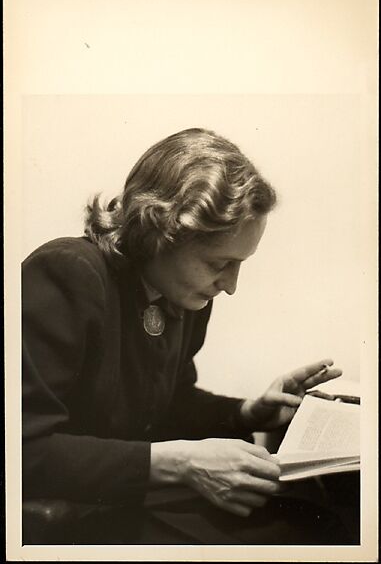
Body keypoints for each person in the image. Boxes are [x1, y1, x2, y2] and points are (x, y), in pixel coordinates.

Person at [22, 127, 348, 545]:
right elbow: (23, 449)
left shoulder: (183, 295)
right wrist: (179, 463)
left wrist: (249, 412)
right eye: (219, 264)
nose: (230, 286)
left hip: (127, 500)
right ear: (158, 233)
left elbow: (165, 405)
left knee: (319, 518)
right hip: (79, 517)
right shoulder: (67, 273)